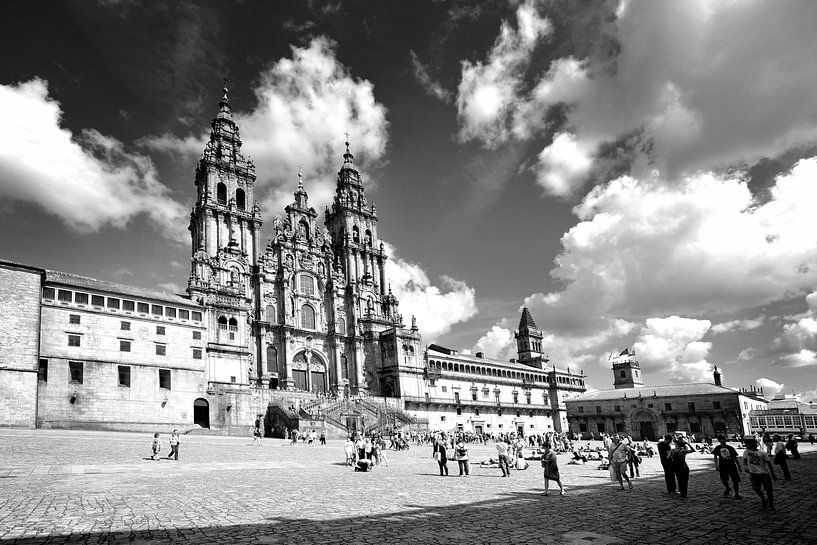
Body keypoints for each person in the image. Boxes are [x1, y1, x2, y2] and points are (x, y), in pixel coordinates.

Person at [743, 437, 775, 509]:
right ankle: (763, 497)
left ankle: (770, 505)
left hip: (763, 474)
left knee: (768, 490)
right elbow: (744, 461)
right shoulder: (746, 452)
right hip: (753, 473)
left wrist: (773, 474)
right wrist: (745, 467)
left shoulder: (762, 453)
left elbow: (769, 464)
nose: (747, 446)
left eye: (748, 445)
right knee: (755, 488)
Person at [712, 434, 741, 499]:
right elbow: (715, 457)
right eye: (721, 440)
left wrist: (738, 465)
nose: (723, 441)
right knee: (723, 479)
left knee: (735, 480)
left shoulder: (730, 448)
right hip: (722, 466)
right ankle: (727, 487)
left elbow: (735, 457)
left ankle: (736, 493)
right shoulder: (717, 448)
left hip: (731, 465)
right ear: (719, 440)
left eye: (724, 439)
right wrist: (716, 465)